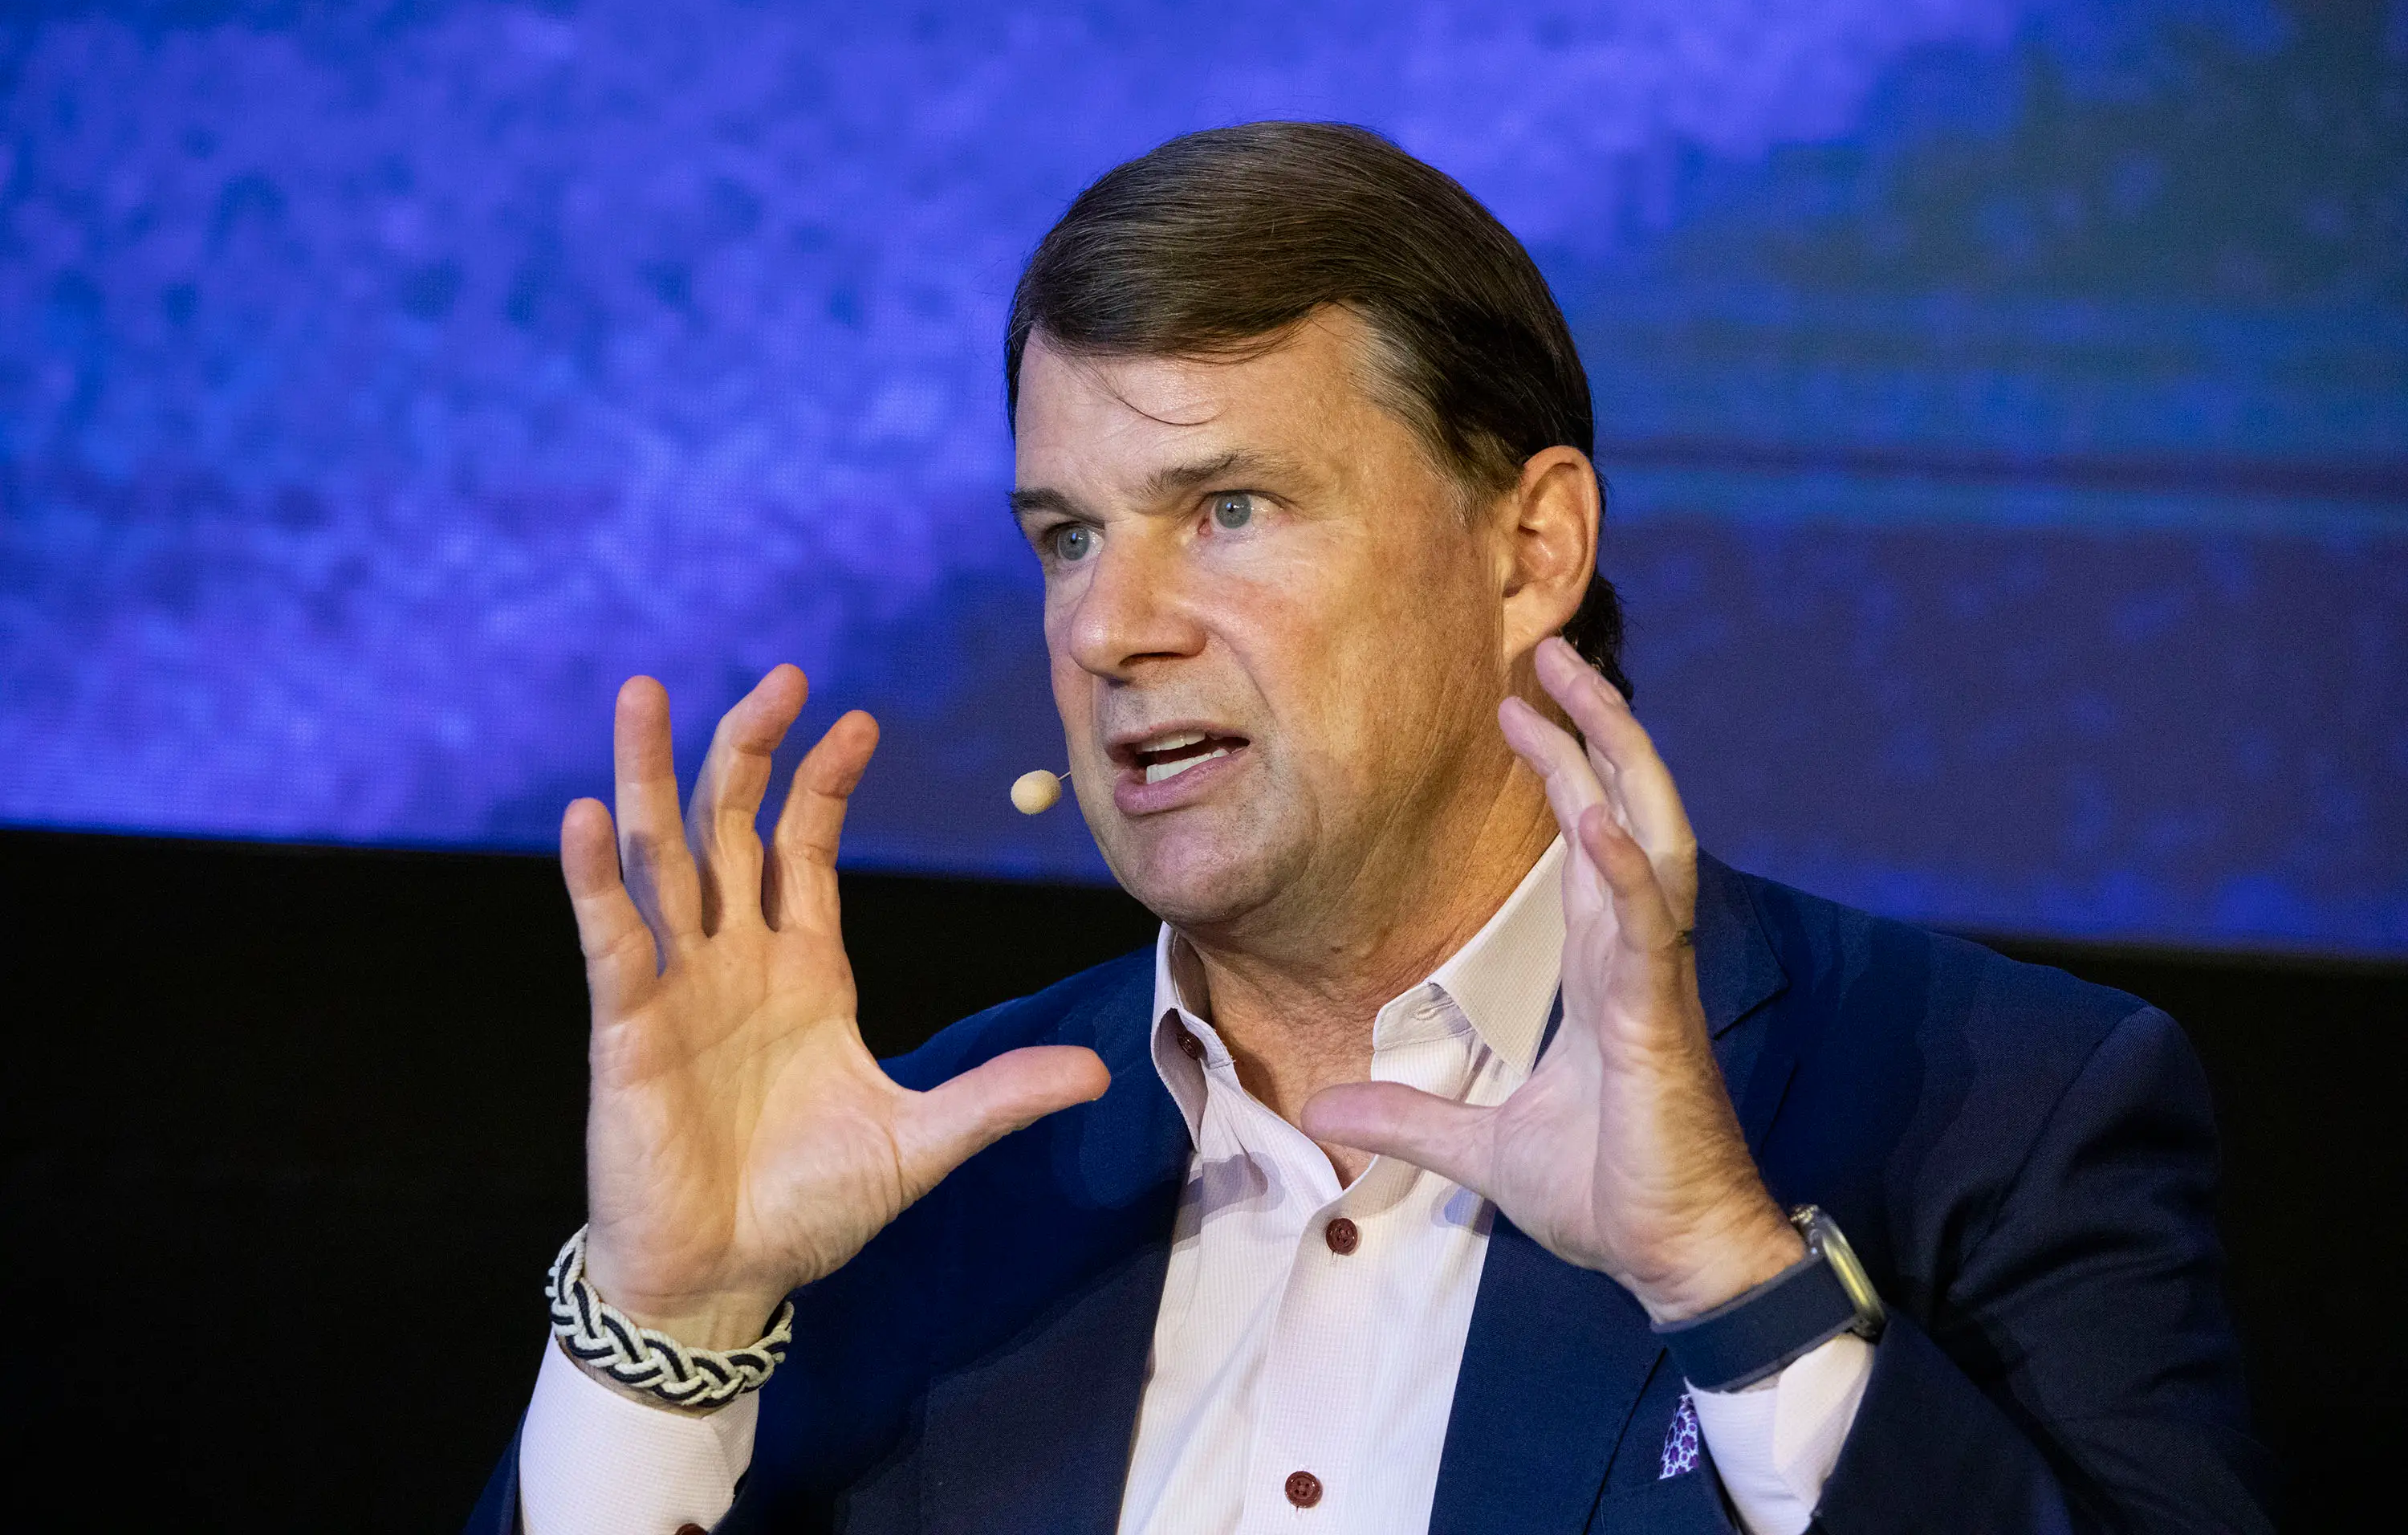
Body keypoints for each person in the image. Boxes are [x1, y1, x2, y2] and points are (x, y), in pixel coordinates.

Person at [470, 123, 2268, 1534]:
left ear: (1528, 549)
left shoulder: (1997, 1107)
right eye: (1067, 537)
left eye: (1229, 507)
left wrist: (1730, 1283)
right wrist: (673, 1327)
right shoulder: (915, 1180)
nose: (1111, 628)